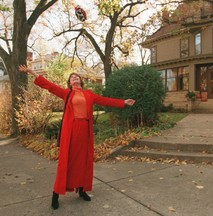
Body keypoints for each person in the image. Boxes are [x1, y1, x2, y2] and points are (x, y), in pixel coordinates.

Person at [18, 64, 135, 210]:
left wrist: (123, 102)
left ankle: (82, 189)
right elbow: (49, 85)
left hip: (85, 131)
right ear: (69, 82)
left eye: (77, 76)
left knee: (83, 161)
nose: (75, 78)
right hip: (71, 131)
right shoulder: (67, 93)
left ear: (80, 80)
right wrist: (31, 72)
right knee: (66, 162)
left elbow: (105, 100)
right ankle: (56, 194)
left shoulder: (89, 94)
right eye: (72, 77)